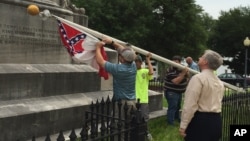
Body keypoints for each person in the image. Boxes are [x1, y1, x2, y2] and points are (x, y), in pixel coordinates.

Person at [179, 50, 224, 141]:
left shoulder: (198, 79)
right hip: (216, 121)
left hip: (200, 122)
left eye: (202, 57)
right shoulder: (220, 82)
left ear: (205, 62)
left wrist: (183, 125)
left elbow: (190, 104)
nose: (199, 58)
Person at [164, 55, 189, 125]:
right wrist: (183, 73)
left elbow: (187, 77)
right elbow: (176, 81)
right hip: (171, 92)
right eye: (173, 61)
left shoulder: (181, 68)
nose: (174, 63)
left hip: (179, 92)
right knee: (172, 107)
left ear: (180, 62)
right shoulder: (170, 70)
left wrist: (185, 73)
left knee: (178, 106)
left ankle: (176, 118)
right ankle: (170, 122)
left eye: (176, 62)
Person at [135, 53, 154, 140]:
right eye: (134, 61)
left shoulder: (144, 71)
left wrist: (148, 60)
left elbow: (151, 72)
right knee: (133, 118)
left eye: (137, 62)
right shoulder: (131, 71)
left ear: (140, 62)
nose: (135, 63)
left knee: (144, 118)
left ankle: (146, 133)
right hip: (133, 99)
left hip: (143, 99)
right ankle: (135, 133)